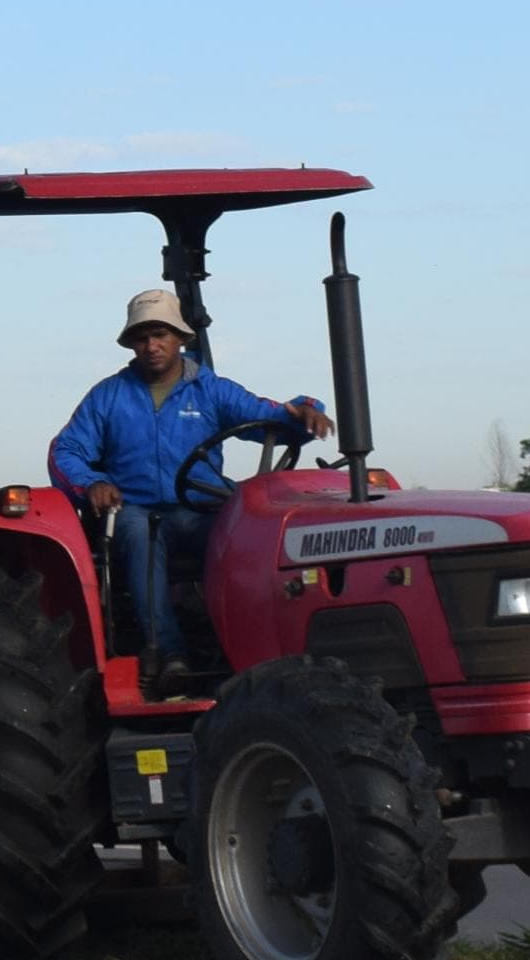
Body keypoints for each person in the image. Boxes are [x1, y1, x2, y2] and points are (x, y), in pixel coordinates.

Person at [50, 287, 331, 674]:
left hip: (200, 508)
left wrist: (306, 411)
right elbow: (65, 451)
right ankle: (168, 653)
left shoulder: (210, 389)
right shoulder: (108, 396)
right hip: (137, 509)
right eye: (142, 337)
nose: (151, 346)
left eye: (160, 335)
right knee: (141, 533)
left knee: (254, 531)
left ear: (180, 338)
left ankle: (263, 644)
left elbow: (268, 414)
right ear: (132, 343)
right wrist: (92, 483)